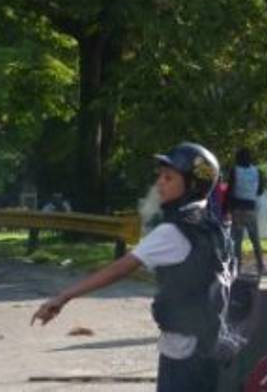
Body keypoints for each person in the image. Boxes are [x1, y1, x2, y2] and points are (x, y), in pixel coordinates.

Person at [32, 143, 231, 392]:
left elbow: (119, 269)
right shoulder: (212, 226)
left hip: (182, 349)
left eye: (168, 178)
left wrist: (64, 296)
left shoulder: (172, 231)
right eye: (159, 176)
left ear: (192, 185)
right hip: (209, 343)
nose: (159, 183)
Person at [227, 147, 266, 275]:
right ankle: (261, 266)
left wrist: (228, 208)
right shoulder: (258, 171)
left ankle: (236, 268)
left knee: (237, 240)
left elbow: (230, 190)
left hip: (238, 207)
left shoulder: (234, 171)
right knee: (255, 239)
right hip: (251, 207)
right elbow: (260, 191)